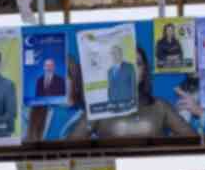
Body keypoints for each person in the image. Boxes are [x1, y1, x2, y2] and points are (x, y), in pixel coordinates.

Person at [66, 48, 196, 139]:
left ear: (144, 71)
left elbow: (193, 140)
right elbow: (70, 144)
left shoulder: (160, 106)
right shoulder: (98, 108)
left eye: (138, 64)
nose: (132, 69)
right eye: (127, 63)